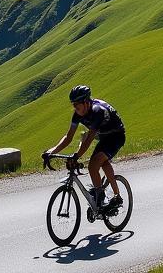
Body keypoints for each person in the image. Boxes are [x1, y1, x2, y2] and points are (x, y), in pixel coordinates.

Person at [43, 84, 125, 215]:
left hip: (116, 136)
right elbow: (68, 137)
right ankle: (100, 195)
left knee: (93, 165)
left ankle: (115, 197)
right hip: (104, 137)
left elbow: (90, 139)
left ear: (86, 102)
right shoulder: (78, 114)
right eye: (73, 105)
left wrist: (77, 155)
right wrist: (51, 152)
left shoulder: (97, 111)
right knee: (100, 162)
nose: (75, 108)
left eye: (77, 105)